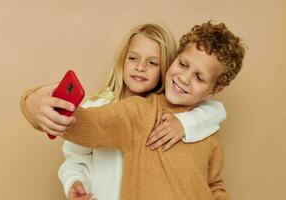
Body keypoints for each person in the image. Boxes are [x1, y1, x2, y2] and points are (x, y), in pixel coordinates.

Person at [20, 22, 232, 200]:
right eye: (133, 58)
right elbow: (85, 132)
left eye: (152, 62)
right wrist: (32, 102)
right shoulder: (138, 111)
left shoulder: (203, 123)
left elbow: (213, 181)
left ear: (164, 66)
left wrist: (187, 123)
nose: (140, 67)